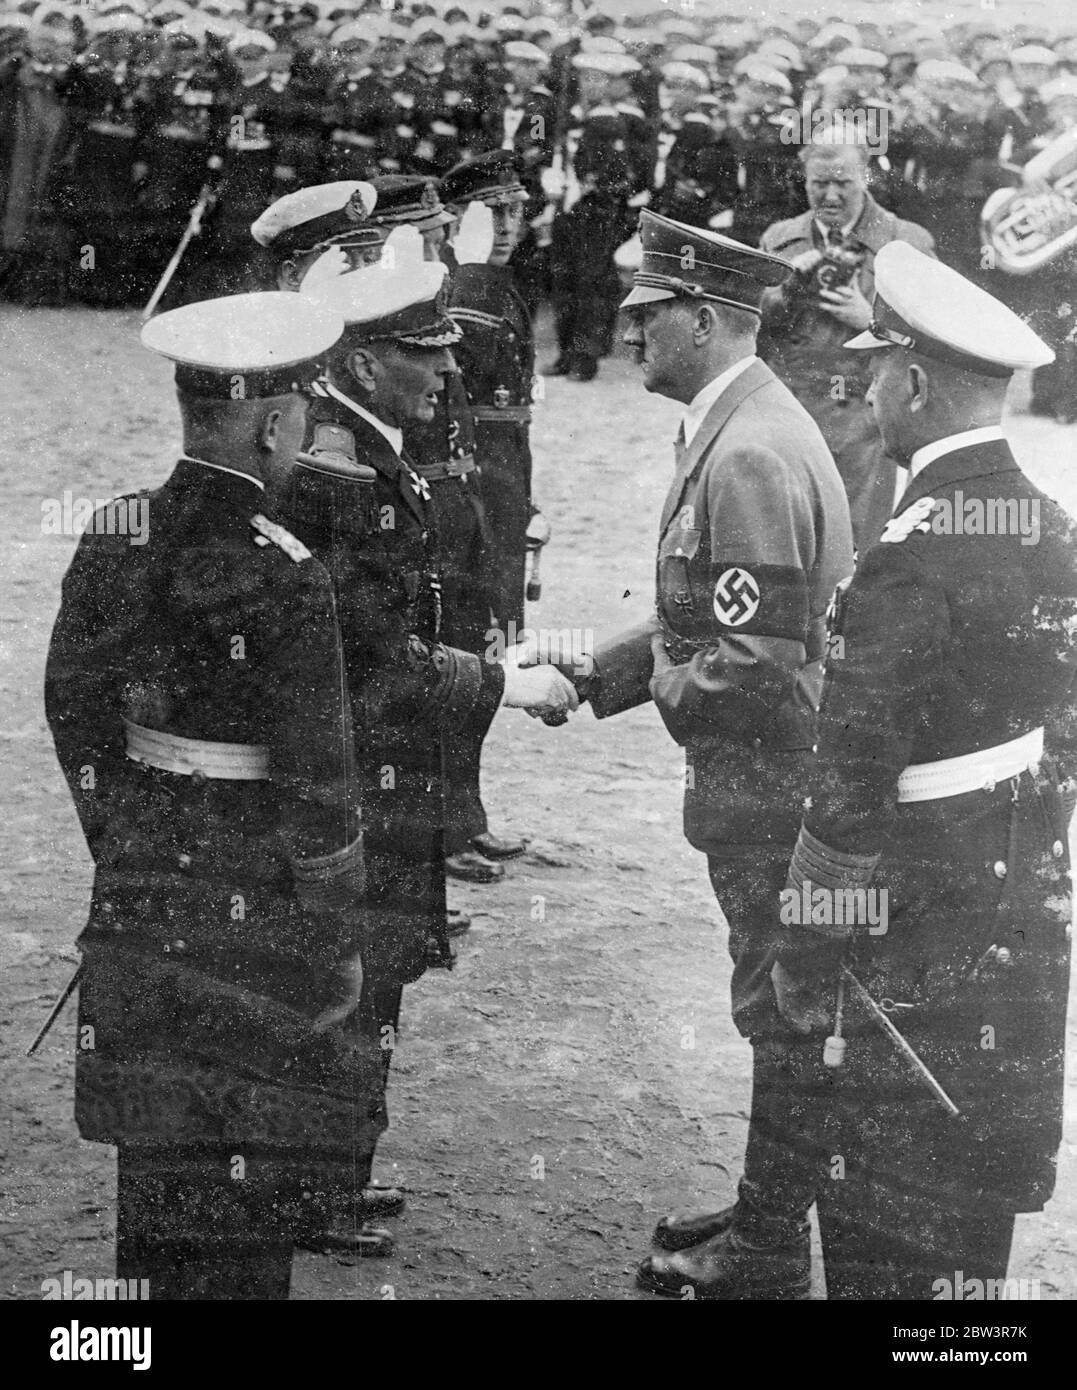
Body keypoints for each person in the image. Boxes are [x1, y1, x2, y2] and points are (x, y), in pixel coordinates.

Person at [517, 209, 854, 1298]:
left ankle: (764, 1249)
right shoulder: (741, 419)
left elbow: (747, 659)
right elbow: (700, 614)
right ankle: (764, 1210)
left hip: (770, 782)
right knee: (777, 998)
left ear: (703, 320)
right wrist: (591, 668)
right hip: (768, 777)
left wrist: (652, 683)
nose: (624, 334)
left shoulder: (748, 447)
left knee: (784, 1004)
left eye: (645, 315)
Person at [43, 291, 382, 1299]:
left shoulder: (116, 533)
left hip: (141, 897)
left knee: (152, 1174)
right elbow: (322, 794)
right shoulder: (288, 575)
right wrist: (336, 945)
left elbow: (73, 714)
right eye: (302, 413)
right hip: (257, 915)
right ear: (274, 424)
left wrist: (130, 834)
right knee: (246, 1191)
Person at [772, 243, 1077, 1300]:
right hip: (1021, 935)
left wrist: (806, 970)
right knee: (971, 1238)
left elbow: (845, 799)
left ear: (911, 382)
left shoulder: (907, 558)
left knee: (885, 1230)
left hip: (909, 956)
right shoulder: (1050, 523)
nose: (862, 386)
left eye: (875, 368)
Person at [281, 250, 575, 1253]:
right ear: (365, 365)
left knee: (384, 969)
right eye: (424, 353)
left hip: (393, 768)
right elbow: (373, 657)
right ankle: (313, 1185)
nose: (445, 374)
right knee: (351, 975)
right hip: (363, 772)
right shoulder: (339, 471)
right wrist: (495, 681)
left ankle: (338, 1168)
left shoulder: (369, 448)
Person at [439, 149, 544, 879]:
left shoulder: (502, 284)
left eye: (516, 209)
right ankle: (438, 832)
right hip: (465, 493)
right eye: (492, 210)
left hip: (502, 491)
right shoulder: (453, 285)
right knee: (454, 652)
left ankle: (464, 817)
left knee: (491, 648)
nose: (507, 225)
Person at [759, 136, 936, 552]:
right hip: (791, 411)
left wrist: (871, 320)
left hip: (867, 419)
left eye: (844, 183)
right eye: (819, 183)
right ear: (803, 181)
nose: (831, 195)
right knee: (786, 537)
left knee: (854, 546)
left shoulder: (905, 242)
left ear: (866, 178)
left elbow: (936, 336)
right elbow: (746, 323)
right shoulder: (781, 240)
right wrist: (785, 293)